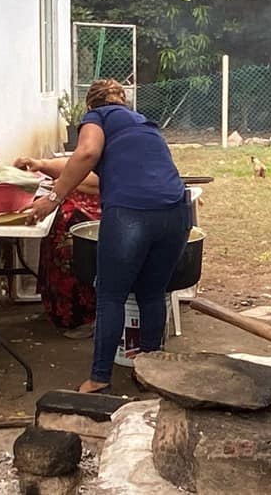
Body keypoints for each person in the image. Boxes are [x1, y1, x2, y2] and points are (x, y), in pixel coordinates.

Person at [24, 79, 192, 393]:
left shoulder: (98, 117)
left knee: (111, 294)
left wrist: (52, 199)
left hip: (131, 213)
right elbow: (84, 166)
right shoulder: (144, 125)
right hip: (177, 212)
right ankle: (149, 373)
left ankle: (100, 378)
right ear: (123, 102)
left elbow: (86, 153)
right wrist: (45, 165)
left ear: (91, 105)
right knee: (152, 293)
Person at [13, 157, 101, 336]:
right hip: (84, 197)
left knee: (70, 231)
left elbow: (100, 180)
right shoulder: (95, 136)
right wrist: (42, 164)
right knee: (55, 225)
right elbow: (77, 161)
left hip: (113, 205)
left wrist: (63, 185)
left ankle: (85, 317)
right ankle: (57, 310)